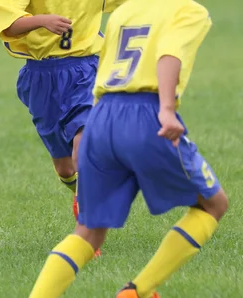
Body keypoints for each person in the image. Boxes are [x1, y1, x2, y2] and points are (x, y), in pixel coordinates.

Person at [27, 0, 228, 297]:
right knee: (213, 204)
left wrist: (95, 129)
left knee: (88, 231)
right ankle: (138, 291)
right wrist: (167, 110)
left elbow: (104, 65)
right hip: (145, 114)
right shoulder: (188, 10)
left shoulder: (124, 11)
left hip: (102, 113)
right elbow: (170, 54)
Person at [0, 0, 125, 257]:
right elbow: (10, 23)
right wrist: (42, 20)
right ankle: (83, 190)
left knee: (83, 145)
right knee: (65, 167)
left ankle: (85, 232)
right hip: (42, 76)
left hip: (86, 69)